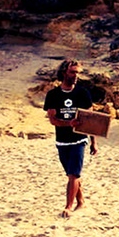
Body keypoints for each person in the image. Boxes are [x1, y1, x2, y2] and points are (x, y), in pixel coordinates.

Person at [44, 59, 94, 218]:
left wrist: (94, 142)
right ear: (64, 72)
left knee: (73, 174)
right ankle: (81, 202)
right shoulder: (53, 95)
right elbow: (53, 120)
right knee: (71, 174)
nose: (76, 76)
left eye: (78, 72)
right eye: (73, 72)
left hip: (79, 140)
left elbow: (91, 119)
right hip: (62, 141)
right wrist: (68, 123)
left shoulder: (83, 93)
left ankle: (68, 207)